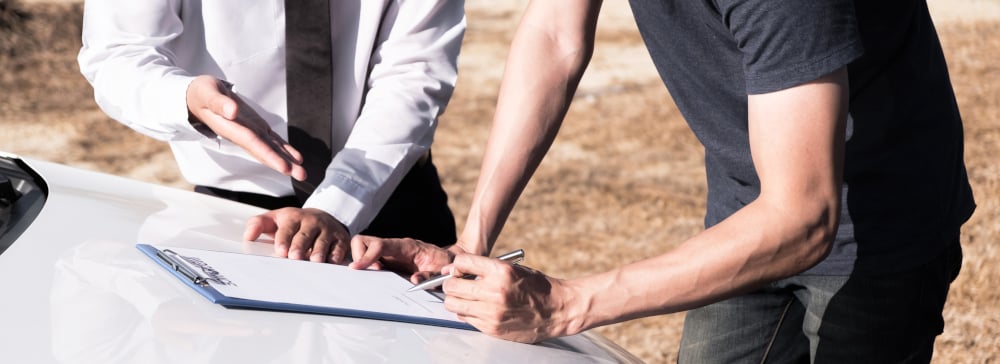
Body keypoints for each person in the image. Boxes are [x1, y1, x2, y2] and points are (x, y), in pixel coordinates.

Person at [349, 0, 976, 362]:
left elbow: (803, 218)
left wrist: (568, 304)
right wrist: (473, 243)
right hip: (746, 211)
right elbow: (554, 36)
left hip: (878, 224)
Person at [78, 1, 466, 264]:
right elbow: (119, 52)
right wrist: (185, 99)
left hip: (392, 202)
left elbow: (415, 72)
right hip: (236, 222)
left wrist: (335, 205)